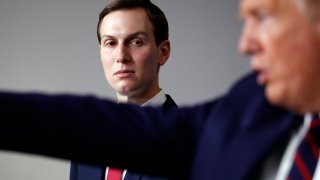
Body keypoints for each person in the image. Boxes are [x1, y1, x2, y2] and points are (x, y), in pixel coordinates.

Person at [0, 0, 319, 179]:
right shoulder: (250, 106)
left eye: (262, 17)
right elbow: (99, 126)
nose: (245, 44)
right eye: (110, 43)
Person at [69, 0, 177, 180]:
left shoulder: (193, 144)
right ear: (101, 52)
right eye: (110, 43)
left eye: (136, 42)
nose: (121, 56)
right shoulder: (85, 142)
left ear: (163, 52)